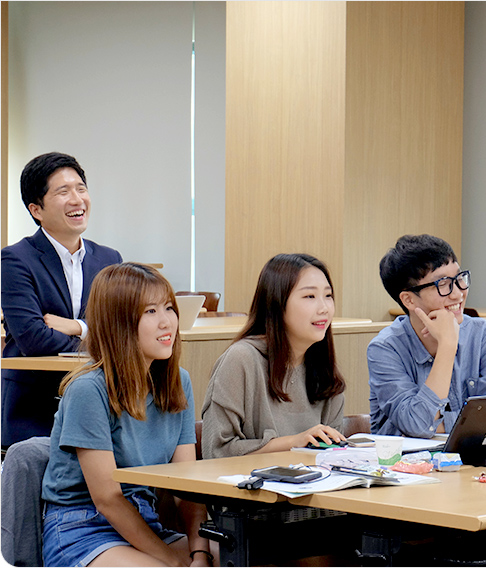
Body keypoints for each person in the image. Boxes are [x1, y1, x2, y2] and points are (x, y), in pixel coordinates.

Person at [41, 263, 214, 567]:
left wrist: (199, 553)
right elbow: (107, 499)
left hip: (144, 523)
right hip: (81, 529)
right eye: (151, 311)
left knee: (238, 557)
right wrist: (173, 562)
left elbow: (187, 487)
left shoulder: (178, 381)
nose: (167, 322)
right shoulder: (88, 390)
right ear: (118, 322)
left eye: (169, 308)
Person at [2, 152, 122, 447]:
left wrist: (76, 327)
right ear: (36, 209)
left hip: (98, 407)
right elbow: (33, 339)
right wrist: (98, 339)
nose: (77, 199)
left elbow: (122, 330)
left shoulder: (109, 259)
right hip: (34, 409)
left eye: (81, 188)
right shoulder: (15, 260)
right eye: (63, 192)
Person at [368, 234, 486, 438]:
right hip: (407, 458)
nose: (458, 294)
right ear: (409, 300)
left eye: (459, 278)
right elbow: (417, 425)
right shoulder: (385, 348)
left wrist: (438, 424)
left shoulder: (483, 334)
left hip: (471, 455)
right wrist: (447, 346)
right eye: (443, 284)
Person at [201, 254, 346, 458]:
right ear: (277, 303)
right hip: (246, 479)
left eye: (328, 296)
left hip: (314, 478)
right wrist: (293, 443)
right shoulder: (241, 359)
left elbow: (332, 454)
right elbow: (216, 451)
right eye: (310, 296)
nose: (324, 308)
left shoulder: (324, 368)